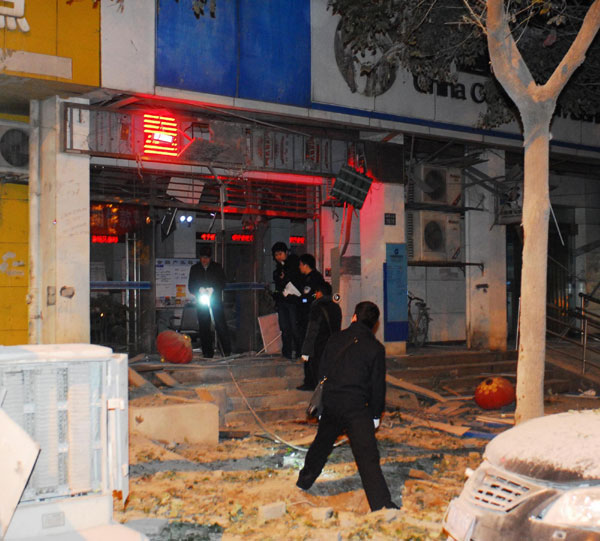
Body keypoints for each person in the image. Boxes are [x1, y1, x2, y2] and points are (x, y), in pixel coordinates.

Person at [297, 301, 398, 512]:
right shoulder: (375, 348)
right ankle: (381, 504)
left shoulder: (335, 338)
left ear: (353, 317)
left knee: (320, 446)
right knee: (367, 456)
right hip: (356, 408)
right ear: (374, 324)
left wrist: (323, 404)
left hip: (332, 403)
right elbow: (377, 385)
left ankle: (304, 481)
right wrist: (375, 414)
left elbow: (322, 370)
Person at [187, 245, 232, 358]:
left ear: (210, 258)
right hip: (202, 302)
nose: (204, 260)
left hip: (215, 301)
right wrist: (199, 290)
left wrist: (213, 289)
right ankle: (207, 352)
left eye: (207, 257)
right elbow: (191, 286)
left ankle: (226, 351)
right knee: (204, 326)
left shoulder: (217, 267)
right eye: (202, 257)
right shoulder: (195, 268)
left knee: (220, 324)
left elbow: (222, 282)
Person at [298, 281, 342, 391]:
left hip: (318, 346)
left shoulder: (317, 307)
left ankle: (316, 391)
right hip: (332, 344)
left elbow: (312, 330)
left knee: (317, 373)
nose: (315, 294)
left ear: (320, 293)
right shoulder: (336, 308)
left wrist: (306, 350)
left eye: (316, 292)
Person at [271, 242, 304, 360]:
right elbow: (278, 286)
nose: (278, 257)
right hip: (283, 301)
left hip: (293, 301)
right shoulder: (278, 269)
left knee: (295, 327)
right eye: (276, 255)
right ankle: (287, 352)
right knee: (285, 328)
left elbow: (296, 279)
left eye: (280, 254)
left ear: (286, 253)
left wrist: (285, 277)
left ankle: (299, 351)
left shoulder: (294, 264)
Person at [297, 253, 325, 340]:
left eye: (300, 264)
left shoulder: (315, 277)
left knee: (309, 335)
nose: (299, 267)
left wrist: (305, 299)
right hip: (305, 310)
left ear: (305, 265)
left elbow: (313, 295)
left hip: (311, 310)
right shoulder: (304, 277)